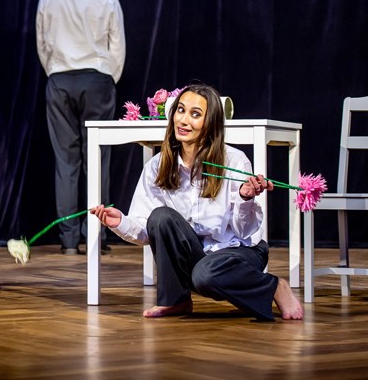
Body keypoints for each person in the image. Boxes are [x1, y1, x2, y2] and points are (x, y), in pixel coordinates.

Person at [91, 84, 303, 321]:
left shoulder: (234, 161)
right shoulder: (157, 166)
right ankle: (175, 300)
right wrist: (120, 222)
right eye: (181, 110)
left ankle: (274, 286)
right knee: (161, 217)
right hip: (197, 256)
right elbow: (149, 229)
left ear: (210, 123)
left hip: (237, 252)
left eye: (195, 114)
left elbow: (245, 233)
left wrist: (245, 198)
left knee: (205, 275)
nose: (183, 120)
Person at [36, 0, 126, 254]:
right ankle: (96, 237)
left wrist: (55, 71)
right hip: (97, 79)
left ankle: (69, 240)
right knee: (98, 158)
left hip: (60, 79)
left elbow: (42, 42)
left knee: (66, 160)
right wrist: (109, 77)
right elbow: (117, 44)